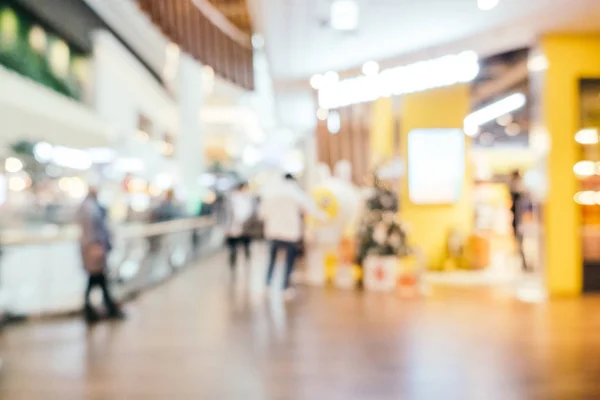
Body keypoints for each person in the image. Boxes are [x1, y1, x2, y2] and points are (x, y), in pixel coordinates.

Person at [260, 174, 326, 299]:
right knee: (289, 262)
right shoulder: (295, 193)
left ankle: (267, 284)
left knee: (272, 259)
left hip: (273, 232)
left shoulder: (271, 194)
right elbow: (310, 208)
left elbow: (262, 213)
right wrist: (323, 217)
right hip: (290, 233)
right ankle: (285, 287)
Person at [77, 187, 124, 323]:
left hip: (94, 248)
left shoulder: (90, 206)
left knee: (98, 279)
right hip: (94, 249)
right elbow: (91, 229)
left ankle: (98, 309)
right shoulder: (89, 208)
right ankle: (100, 309)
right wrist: (95, 245)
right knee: (97, 278)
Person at [225, 182, 255, 274]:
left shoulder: (248, 199)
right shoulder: (232, 199)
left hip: (246, 228)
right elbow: (228, 214)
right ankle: (232, 267)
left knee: (246, 247)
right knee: (233, 249)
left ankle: (247, 264)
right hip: (233, 227)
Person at [509, 170, 529, 272]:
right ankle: (524, 264)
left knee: (522, 243)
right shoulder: (521, 191)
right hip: (519, 222)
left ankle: (525, 264)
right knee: (520, 244)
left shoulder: (519, 193)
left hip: (521, 222)